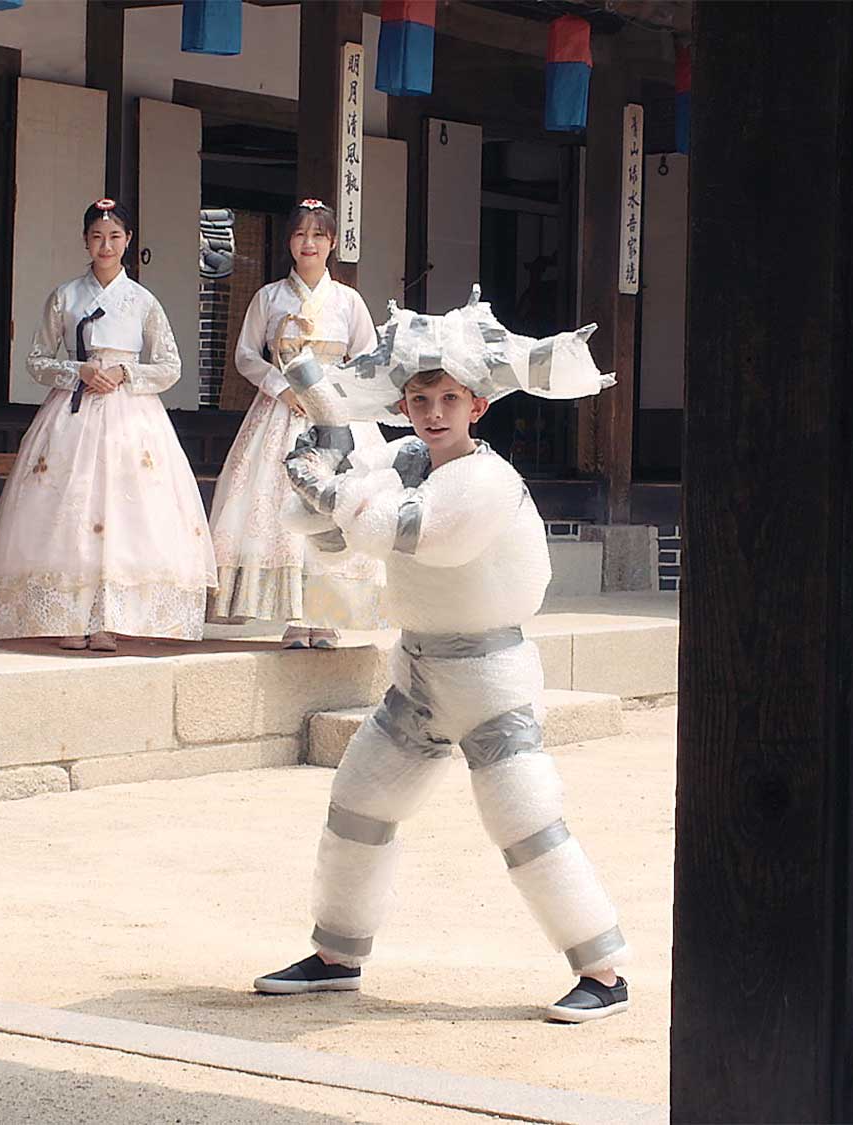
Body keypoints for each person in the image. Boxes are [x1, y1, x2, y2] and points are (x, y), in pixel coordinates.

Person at [251, 293, 629, 1023]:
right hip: (418, 672)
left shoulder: (486, 479)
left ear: (477, 405)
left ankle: (605, 968)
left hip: (489, 677)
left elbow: (411, 530)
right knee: (359, 804)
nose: (432, 410)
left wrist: (333, 492)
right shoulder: (402, 457)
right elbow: (335, 531)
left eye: (448, 397)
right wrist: (320, 472)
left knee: (526, 824)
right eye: (420, 397)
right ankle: (337, 953)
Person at [0, 198, 214, 651]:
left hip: (131, 415)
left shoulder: (144, 302)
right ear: (85, 241)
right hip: (74, 410)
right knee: (69, 511)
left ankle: (109, 620)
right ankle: (71, 615)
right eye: (96, 237)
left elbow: (170, 366)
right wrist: (79, 371)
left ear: (128, 241)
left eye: (114, 236)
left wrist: (127, 373)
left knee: (125, 511)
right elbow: (37, 360)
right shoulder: (65, 296)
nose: (105, 245)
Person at [205, 200, 388, 649]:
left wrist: (333, 392)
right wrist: (280, 386)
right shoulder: (269, 297)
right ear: (290, 241)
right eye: (300, 234)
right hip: (281, 411)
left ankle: (325, 616)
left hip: (333, 416)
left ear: (331, 244)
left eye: (318, 236)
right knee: (278, 507)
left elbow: (367, 357)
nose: (309, 244)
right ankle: (292, 617)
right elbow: (246, 355)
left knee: (331, 508)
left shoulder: (348, 301)